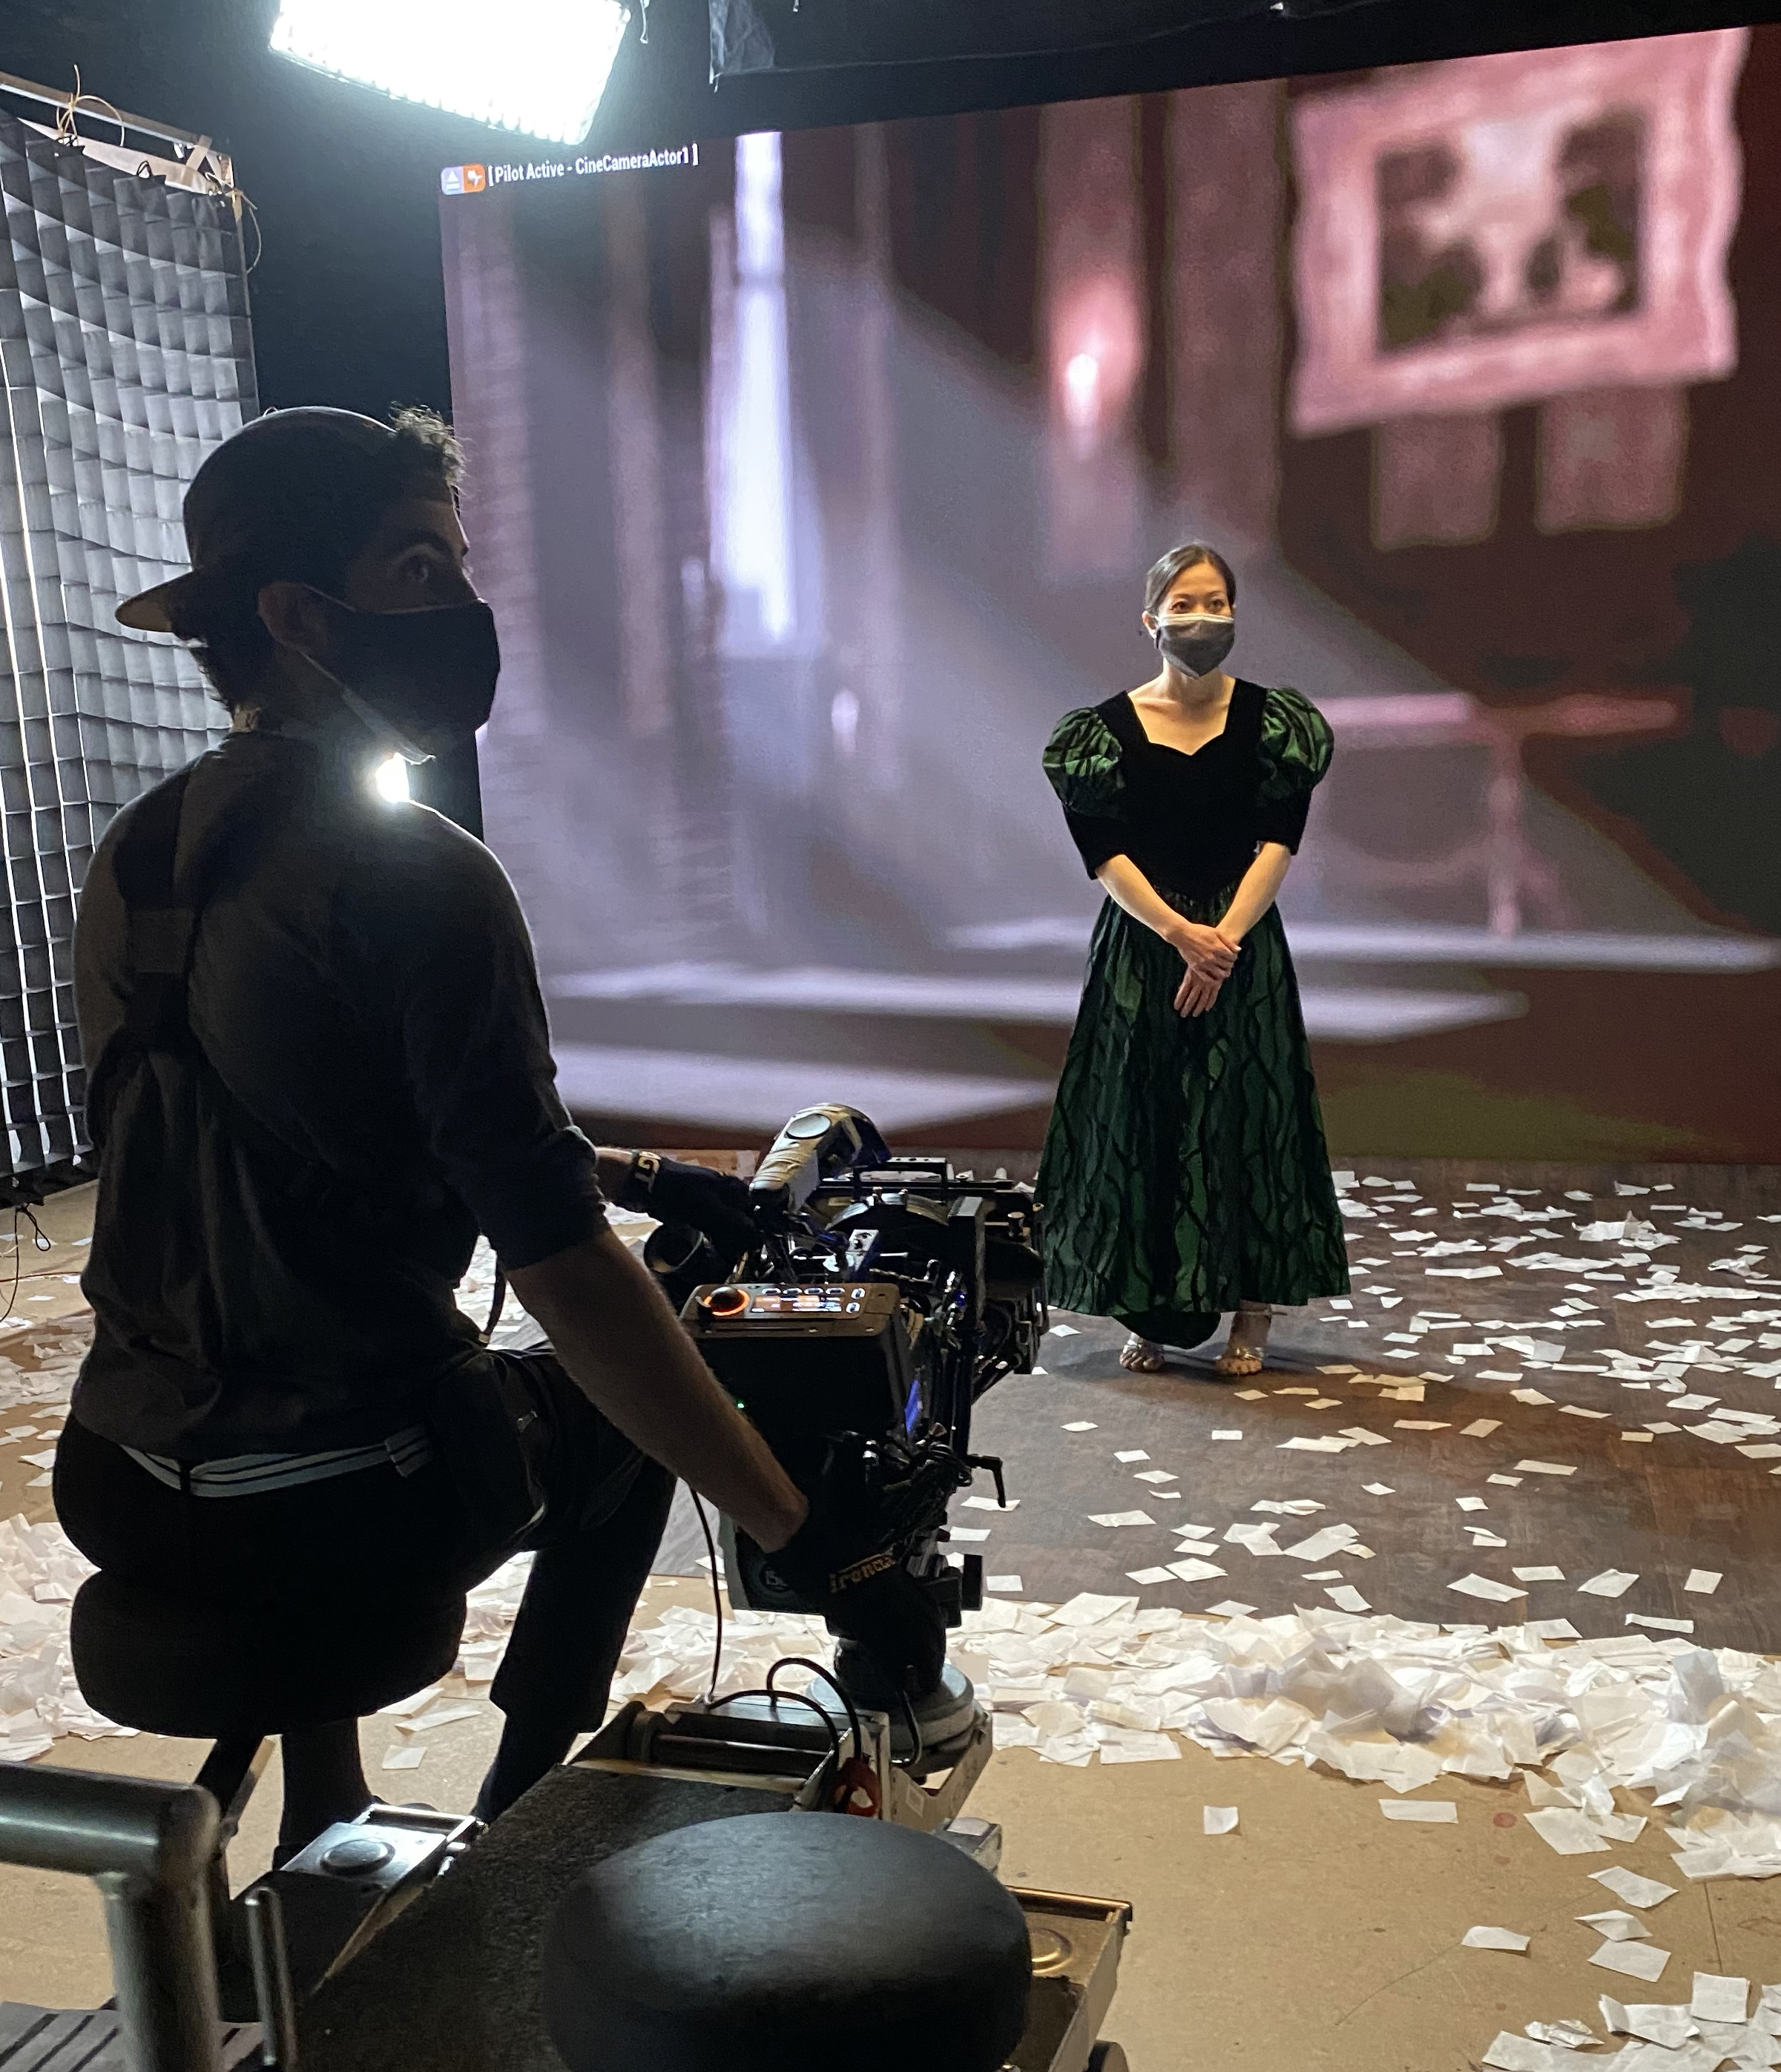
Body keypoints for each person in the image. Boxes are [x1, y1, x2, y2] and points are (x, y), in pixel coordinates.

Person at [57, 406, 936, 1859]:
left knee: (351, 1369)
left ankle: (328, 1805)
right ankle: (515, 1821)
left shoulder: (139, 852)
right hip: (344, 1502)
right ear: (296, 614)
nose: (463, 608)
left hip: (120, 1468)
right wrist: (807, 1533)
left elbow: (311, 1123)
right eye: (420, 568)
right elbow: (568, 1274)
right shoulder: (418, 873)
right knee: (622, 1404)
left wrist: (642, 1171)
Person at [1035, 541, 1349, 1378]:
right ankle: (1153, 1306)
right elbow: (1105, 856)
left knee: (1247, 1116)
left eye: (1215, 603)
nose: (1201, 618)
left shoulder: (1276, 726)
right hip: (1145, 943)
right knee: (1145, 1116)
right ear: (1151, 620)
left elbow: (1279, 842)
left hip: (1242, 940)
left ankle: (1252, 1307)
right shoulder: (1096, 735)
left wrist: (1225, 942)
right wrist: (1182, 935)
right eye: (1184, 605)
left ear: (1235, 614)